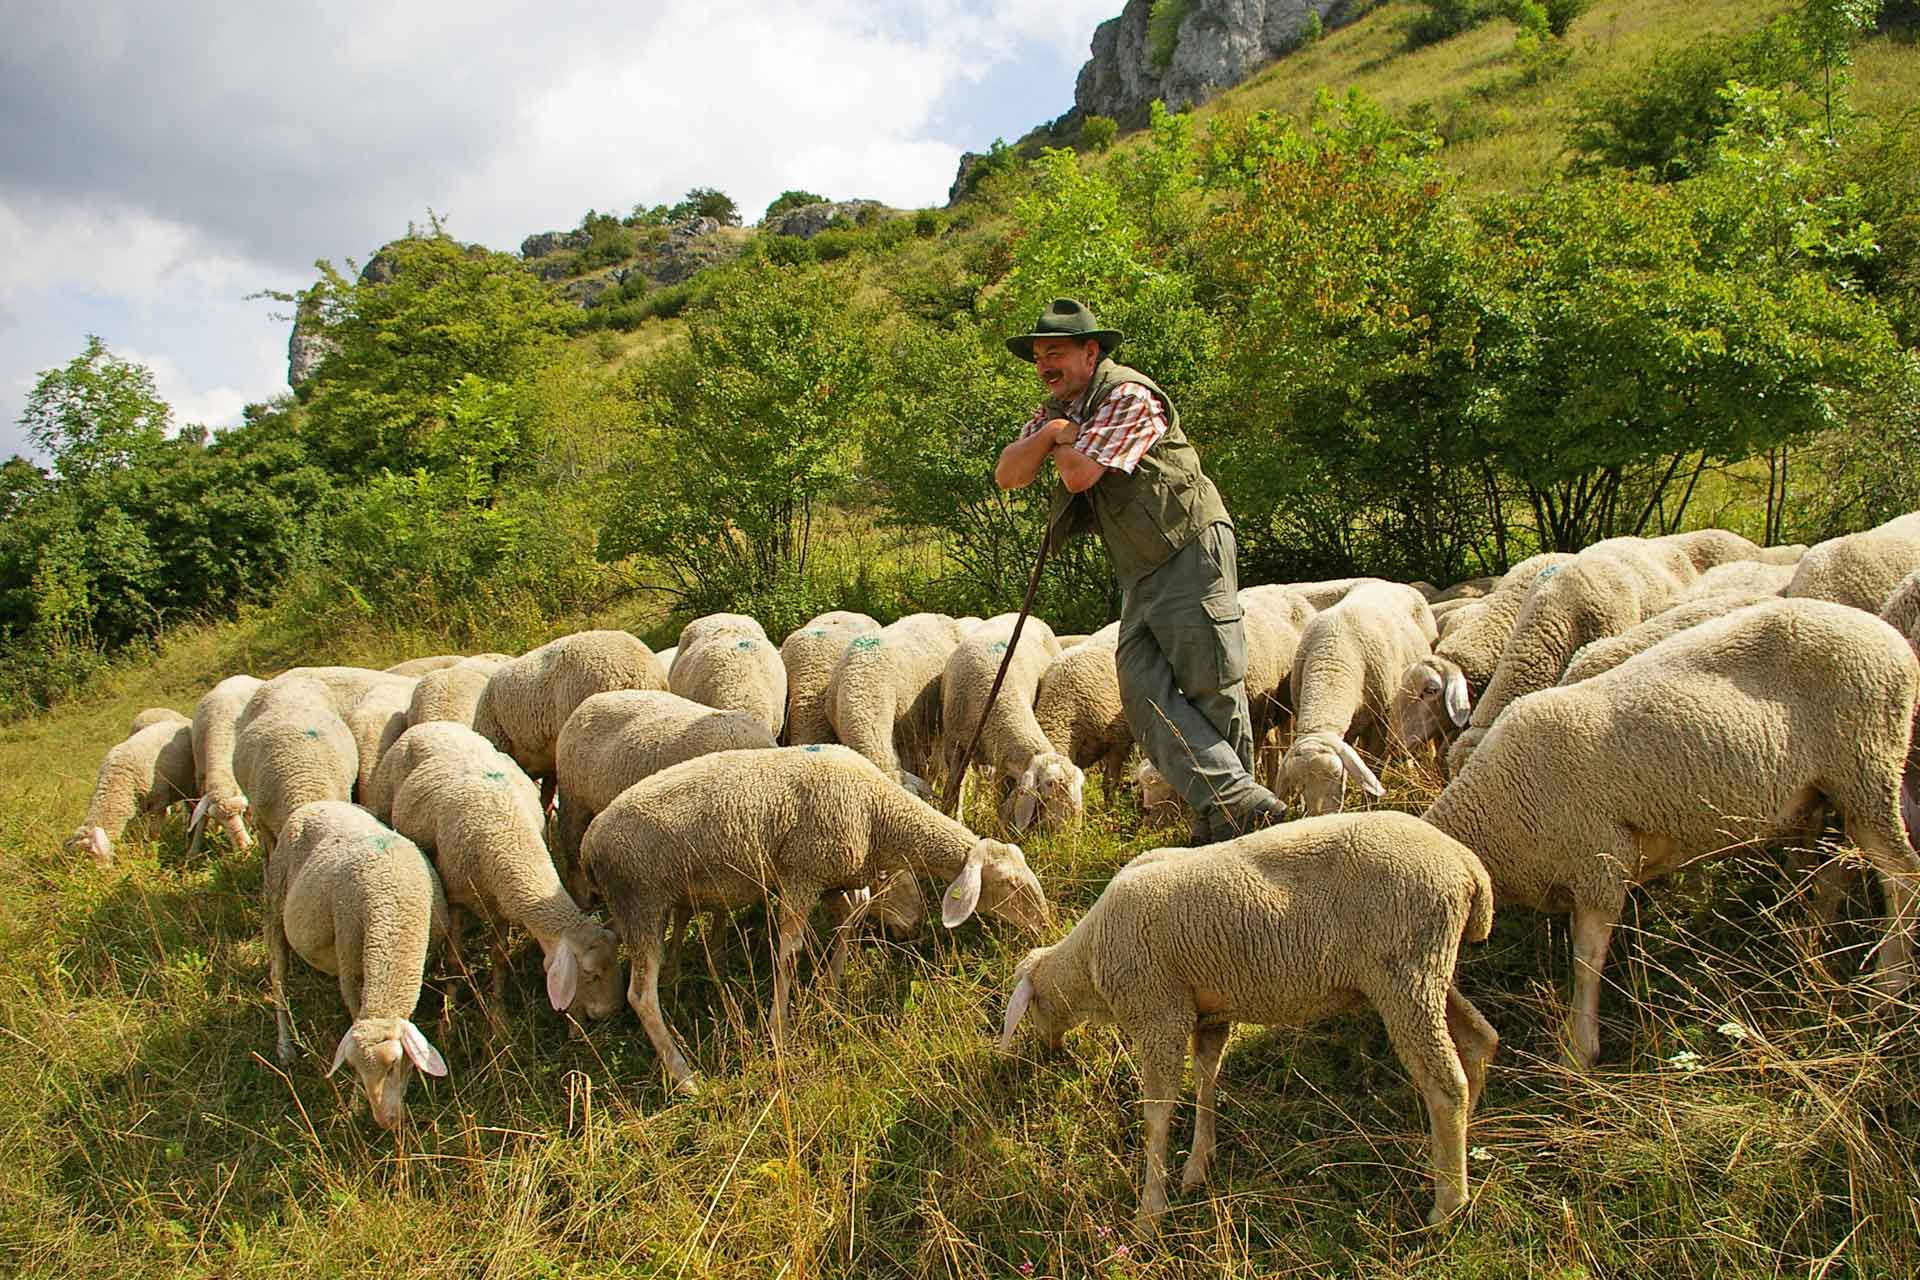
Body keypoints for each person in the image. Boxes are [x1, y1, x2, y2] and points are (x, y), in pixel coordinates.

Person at [994, 298, 1286, 842]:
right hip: (1142, 568)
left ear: (1090, 351)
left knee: (1210, 685)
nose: (1044, 367)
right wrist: (1051, 434)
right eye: (1037, 358)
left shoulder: (1128, 395)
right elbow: (1009, 474)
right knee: (1140, 691)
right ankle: (1235, 803)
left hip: (1188, 546)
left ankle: (1232, 822)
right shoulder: (1062, 411)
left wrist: (1060, 441)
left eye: (1054, 354)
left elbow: (1080, 475)